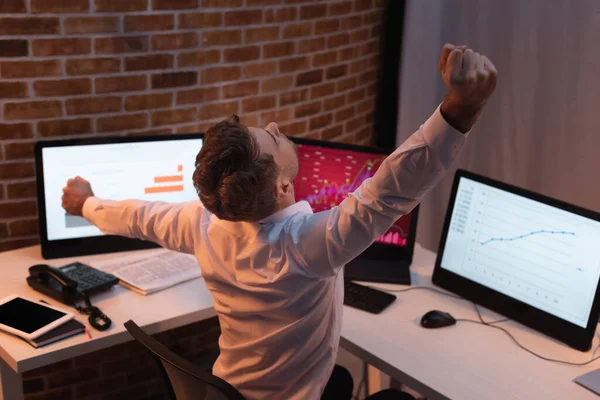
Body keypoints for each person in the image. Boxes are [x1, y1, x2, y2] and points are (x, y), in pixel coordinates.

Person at [62, 44, 497, 400]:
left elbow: (142, 218)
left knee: (343, 383)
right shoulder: (310, 244)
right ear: (282, 189)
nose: (273, 124)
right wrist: (459, 109)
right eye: (271, 137)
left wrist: (86, 204)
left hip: (230, 391)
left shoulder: (203, 224)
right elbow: (387, 192)